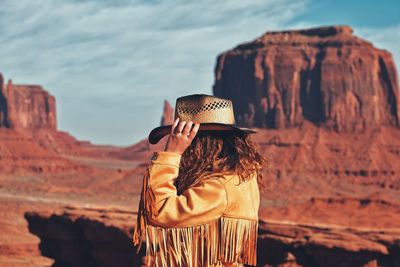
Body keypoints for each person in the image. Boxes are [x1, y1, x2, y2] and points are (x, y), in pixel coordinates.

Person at [133, 94, 267, 267]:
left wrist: (171, 153)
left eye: (186, 140)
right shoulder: (239, 175)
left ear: (199, 143)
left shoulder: (219, 186)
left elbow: (157, 210)